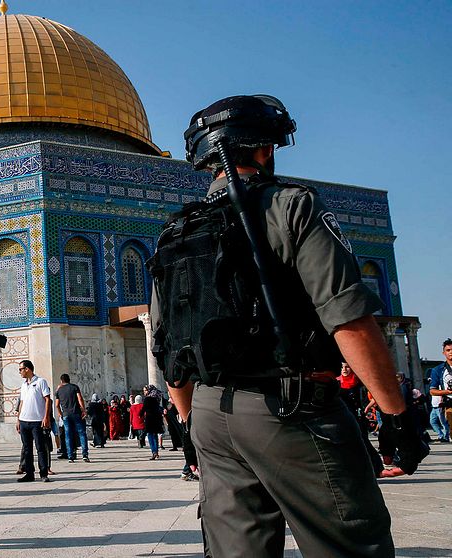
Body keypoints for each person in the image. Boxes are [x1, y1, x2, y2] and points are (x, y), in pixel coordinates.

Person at [154, 94, 427, 556]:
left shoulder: (176, 233)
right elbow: (349, 318)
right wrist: (395, 415)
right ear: (265, 150)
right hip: (291, 410)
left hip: (209, 416)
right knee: (348, 541)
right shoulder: (292, 207)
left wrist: (187, 425)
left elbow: (169, 347)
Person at [15, 360, 52, 482]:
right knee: (27, 449)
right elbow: (22, 402)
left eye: (21, 369)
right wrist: (18, 420)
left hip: (37, 421)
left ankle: (43, 473)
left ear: (27, 369)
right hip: (24, 420)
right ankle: (29, 473)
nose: (19, 371)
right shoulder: (23, 385)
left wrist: (46, 417)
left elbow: (47, 400)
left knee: (40, 448)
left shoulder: (41, 382)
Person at [55, 374, 89, 463]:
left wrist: (60, 414)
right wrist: (83, 410)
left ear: (61, 381)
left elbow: (57, 405)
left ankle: (70, 456)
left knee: (68, 435)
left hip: (66, 414)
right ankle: (85, 455)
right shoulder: (74, 387)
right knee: (82, 433)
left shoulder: (59, 390)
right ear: (69, 380)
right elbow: (80, 398)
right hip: (76, 413)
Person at [428, 339, 452, 443]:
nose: (451, 352)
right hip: (450, 404)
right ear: (444, 353)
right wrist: (448, 392)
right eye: (448, 350)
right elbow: (432, 391)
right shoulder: (438, 370)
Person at [139, 387, 164, 460]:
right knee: (155, 435)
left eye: (145, 390)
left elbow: (144, 408)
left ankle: (154, 452)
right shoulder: (157, 397)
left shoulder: (147, 399)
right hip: (157, 418)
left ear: (148, 391)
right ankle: (156, 451)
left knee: (150, 435)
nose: (144, 392)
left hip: (150, 419)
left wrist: (140, 414)